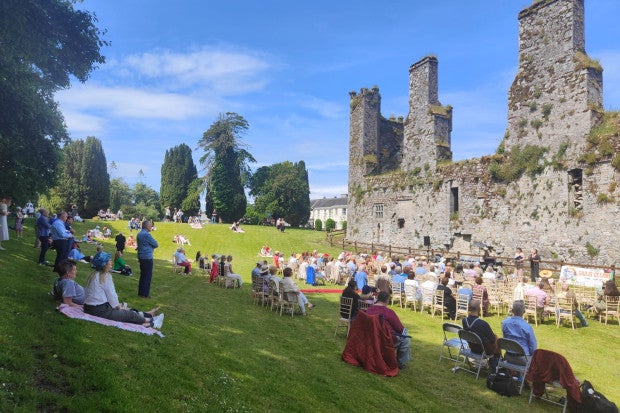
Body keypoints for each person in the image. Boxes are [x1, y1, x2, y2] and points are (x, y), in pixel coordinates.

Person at [84, 252, 164, 328]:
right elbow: (112, 295)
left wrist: (117, 306)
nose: (111, 262)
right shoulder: (105, 276)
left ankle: (148, 316)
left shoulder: (94, 274)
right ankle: (152, 321)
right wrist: (118, 306)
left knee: (124, 309)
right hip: (98, 309)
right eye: (109, 260)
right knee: (128, 314)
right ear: (105, 264)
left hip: (89, 307)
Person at [366, 291, 411, 369]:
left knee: (404, 334)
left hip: (371, 337)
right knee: (406, 337)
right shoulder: (388, 312)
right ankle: (400, 362)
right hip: (386, 339)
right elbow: (400, 328)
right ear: (387, 300)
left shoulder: (369, 310)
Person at [462, 300, 500, 369]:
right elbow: (492, 339)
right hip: (483, 350)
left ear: (469, 308)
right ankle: (496, 365)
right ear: (479, 309)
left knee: (494, 339)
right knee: (496, 339)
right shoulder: (482, 323)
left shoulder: (464, 320)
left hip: (472, 347)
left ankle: (496, 364)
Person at [137, 220, 158, 298]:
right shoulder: (146, 235)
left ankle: (140, 292)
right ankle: (145, 294)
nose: (151, 227)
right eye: (150, 225)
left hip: (141, 256)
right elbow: (156, 244)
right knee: (147, 276)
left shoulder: (139, 234)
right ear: (146, 226)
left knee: (143, 275)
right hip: (147, 257)